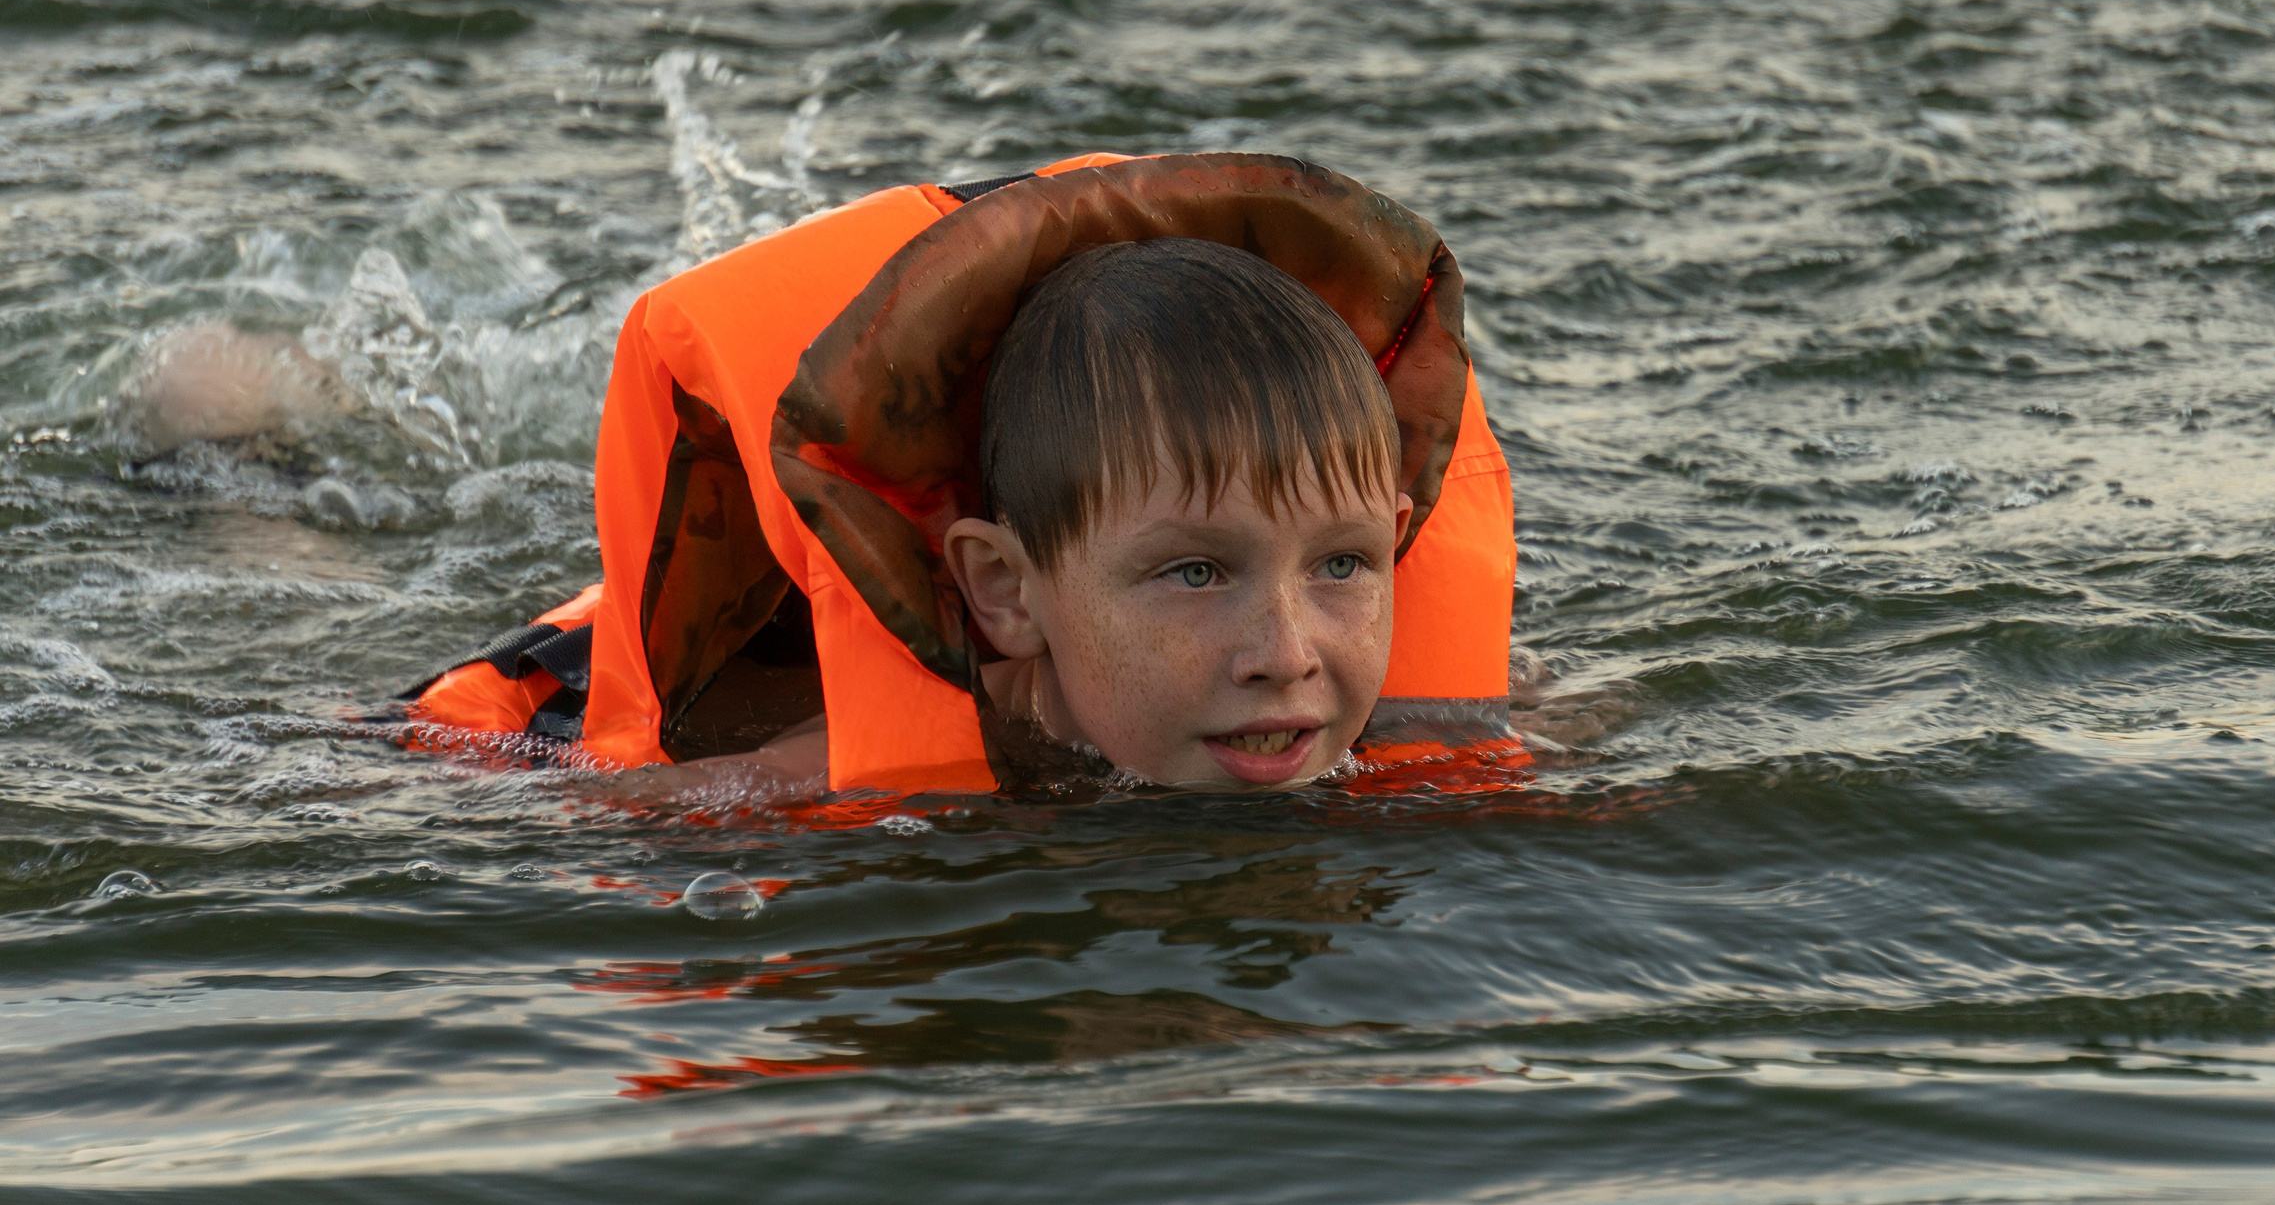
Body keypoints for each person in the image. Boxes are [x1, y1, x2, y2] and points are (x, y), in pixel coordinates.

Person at [405, 152, 1521, 803]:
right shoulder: (812, 776)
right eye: (1195, 572)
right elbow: (608, 826)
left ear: (1396, 534)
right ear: (1005, 590)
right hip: (545, 692)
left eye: (1341, 565)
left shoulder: (1414, 721)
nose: (1286, 652)